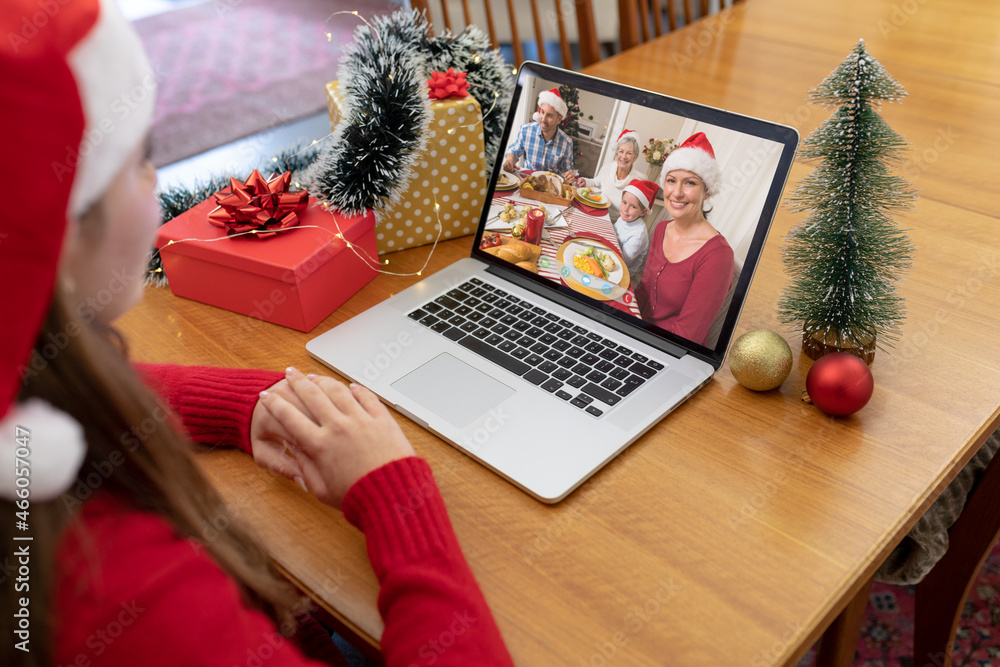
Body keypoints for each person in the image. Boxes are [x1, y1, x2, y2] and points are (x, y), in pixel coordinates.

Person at [0, 2, 514, 667]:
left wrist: (246, 402)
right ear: (57, 231)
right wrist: (396, 493)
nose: (156, 179)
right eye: (140, 158)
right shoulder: (133, 602)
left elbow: (60, 392)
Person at [635, 133, 735, 347]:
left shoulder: (718, 256)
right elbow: (644, 287)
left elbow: (687, 335)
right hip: (639, 334)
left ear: (707, 192)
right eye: (671, 181)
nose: (677, 193)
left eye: (689, 183)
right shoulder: (662, 229)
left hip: (671, 349)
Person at [502, 87, 575, 180]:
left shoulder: (567, 142)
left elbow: (567, 171)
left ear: (559, 119)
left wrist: (569, 176)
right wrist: (510, 160)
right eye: (542, 112)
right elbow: (513, 151)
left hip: (550, 187)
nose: (543, 119)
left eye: (550, 115)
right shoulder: (526, 130)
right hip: (527, 181)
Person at [572, 129, 645, 222]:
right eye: (621, 151)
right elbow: (596, 182)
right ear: (617, 152)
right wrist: (585, 181)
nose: (623, 156)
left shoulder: (636, 182)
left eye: (629, 153)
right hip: (596, 213)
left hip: (615, 223)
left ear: (635, 157)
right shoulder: (608, 167)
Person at [614, 179, 657, 279]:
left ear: (643, 212)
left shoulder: (638, 236)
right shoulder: (625, 217)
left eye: (633, 206)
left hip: (621, 273)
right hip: (612, 252)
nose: (625, 209)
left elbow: (620, 261)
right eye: (624, 202)